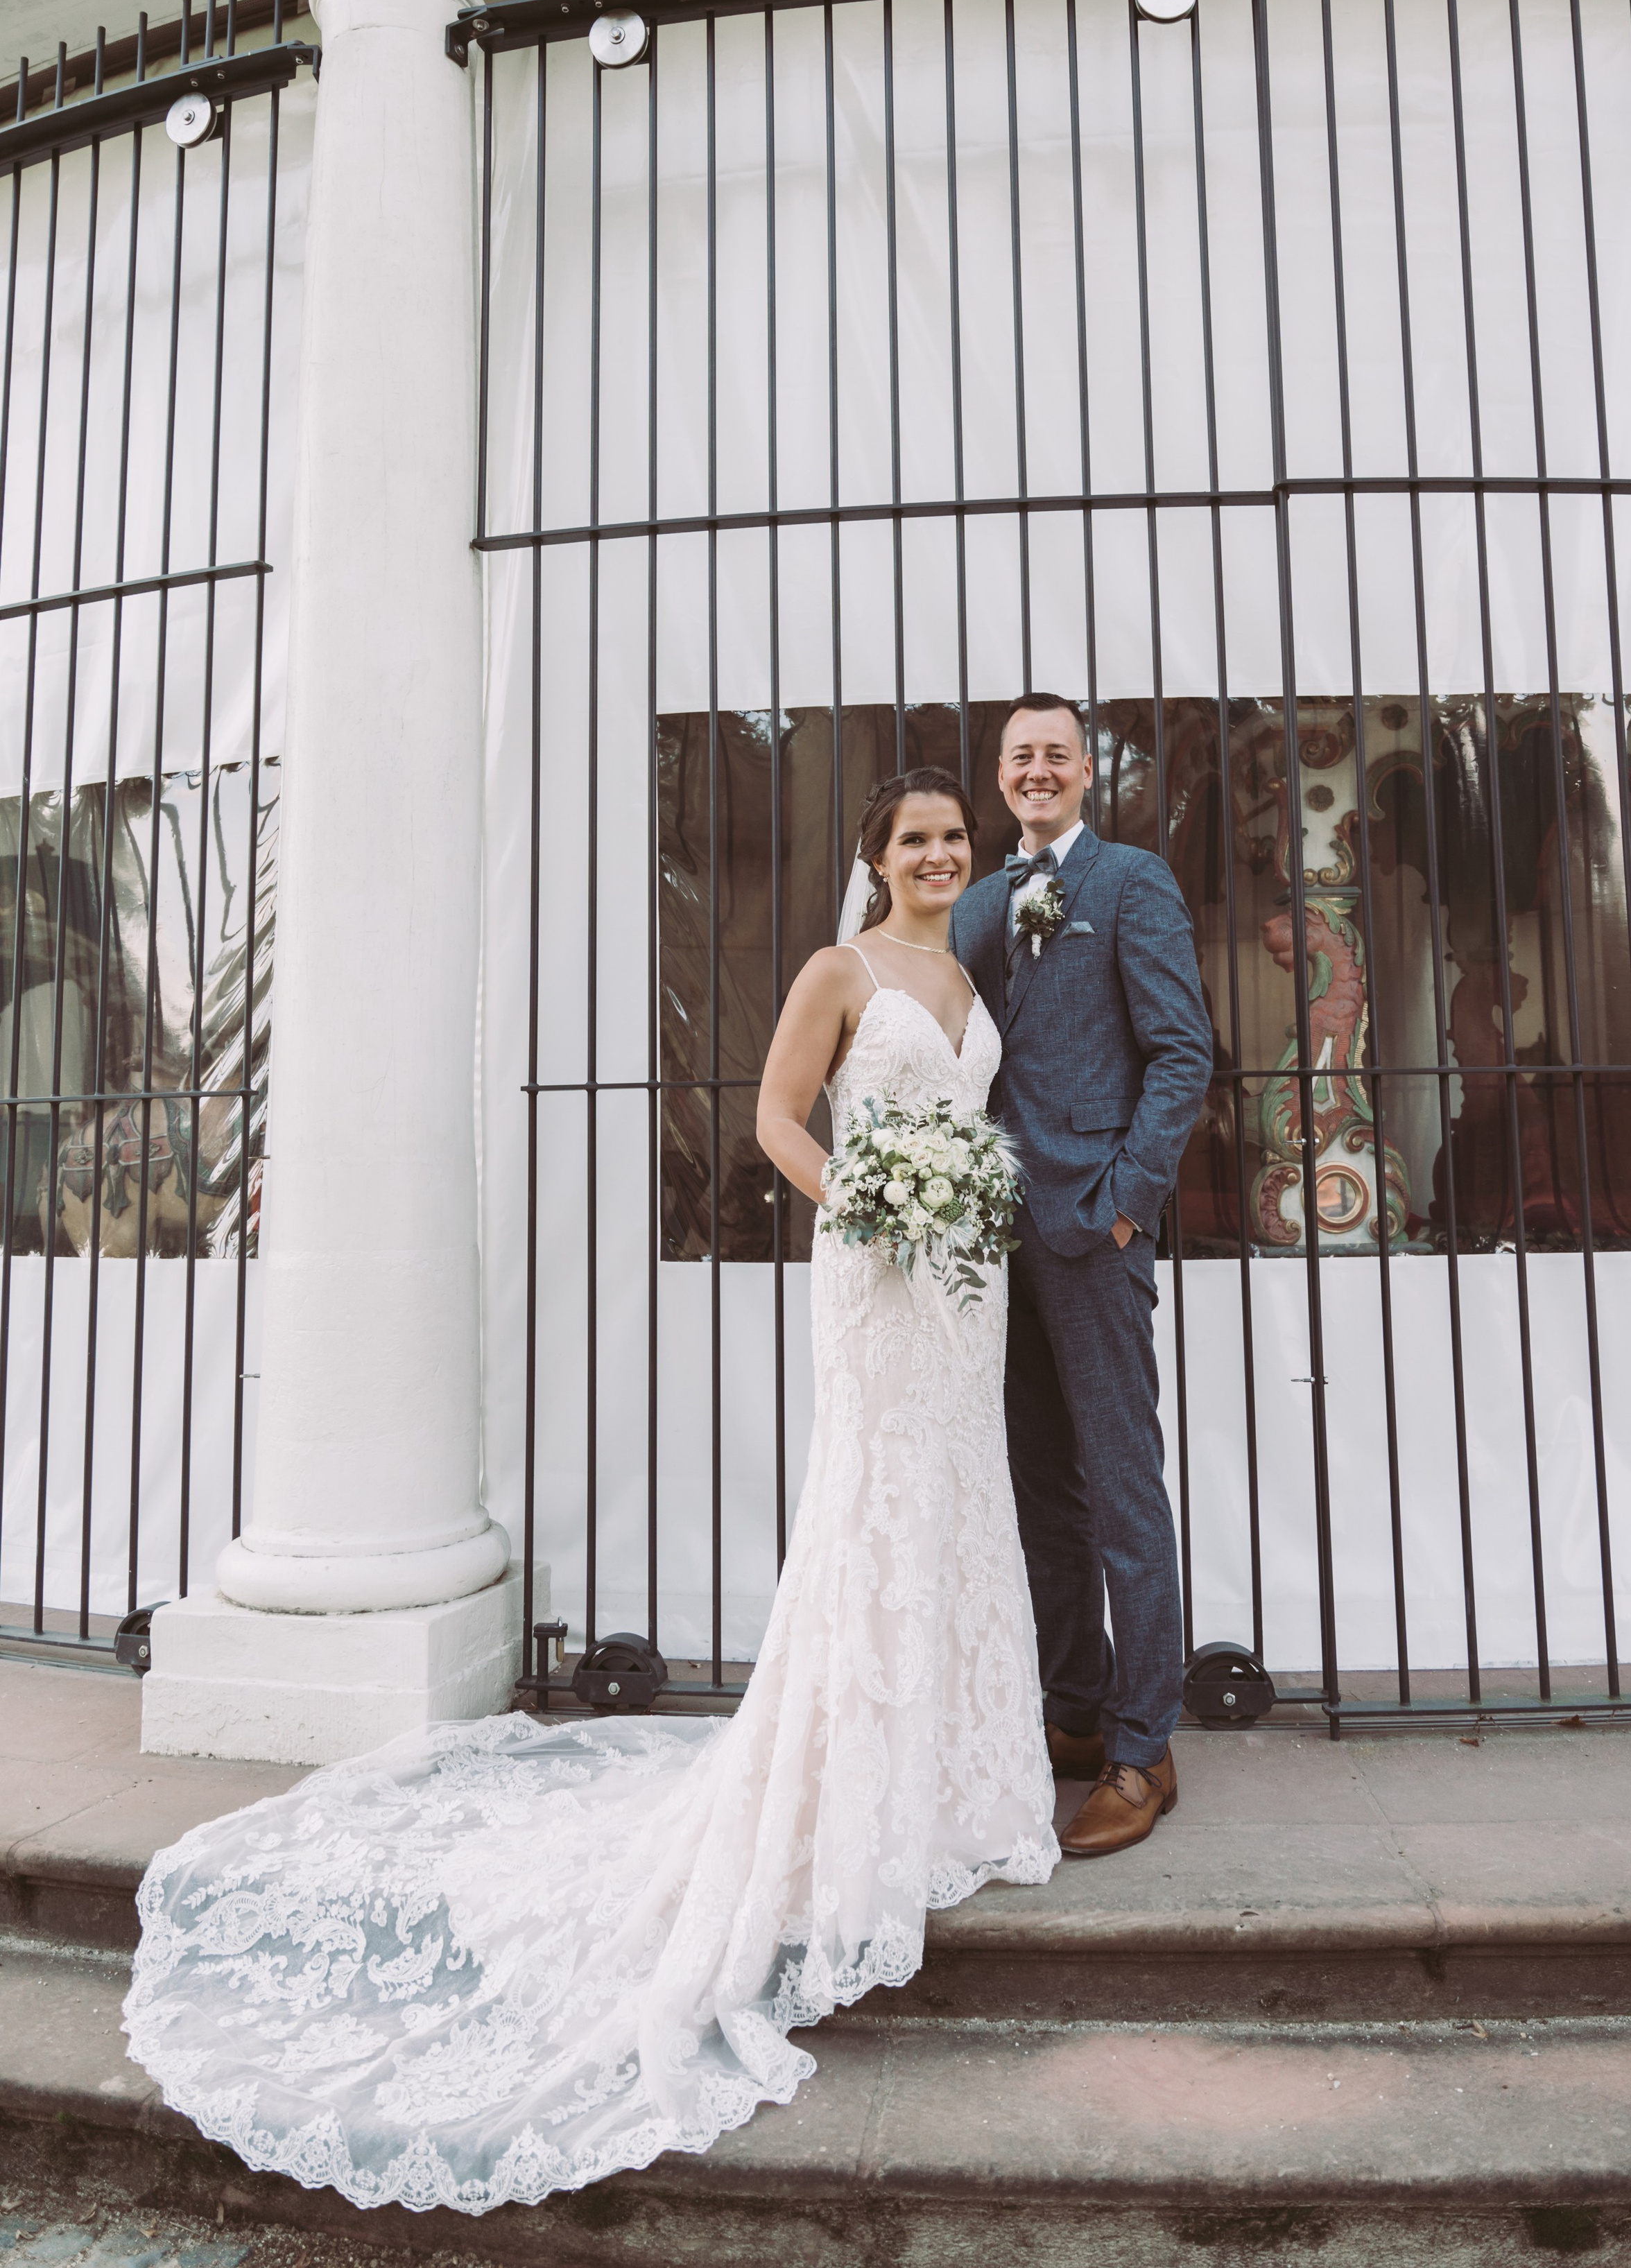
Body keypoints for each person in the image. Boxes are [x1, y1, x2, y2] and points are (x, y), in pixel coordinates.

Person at [121, 766, 1055, 2215]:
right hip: (877, 1278)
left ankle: (955, 1769)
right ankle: (849, 1771)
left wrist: (964, 1194)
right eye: (914, 838)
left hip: (966, 1287)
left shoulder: (970, 963)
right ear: (874, 856)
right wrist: (864, 1199)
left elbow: (975, 1117)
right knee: (872, 1507)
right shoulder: (840, 965)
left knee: (958, 1502)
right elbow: (773, 1117)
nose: (939, 854)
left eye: (953, 837)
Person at [950, 694, 1214, 1858]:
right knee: (1038, 1497)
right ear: (1000, 776)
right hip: (992, 1243)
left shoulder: (1130, 882)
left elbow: (1181, 1052)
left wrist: (1124, 1203)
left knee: (1121, 1491)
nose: (1040, 769)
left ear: (1085, 773)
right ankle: (1072, 1709)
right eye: (1021, 756)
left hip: (1091, 1229)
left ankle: (1144, 1745)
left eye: (1058, 752)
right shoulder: (969, 903)